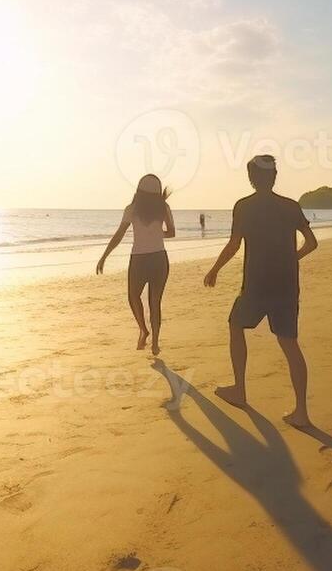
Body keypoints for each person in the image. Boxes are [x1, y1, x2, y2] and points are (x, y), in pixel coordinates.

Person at [203, 155, 318, 428]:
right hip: (287, 286)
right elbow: (311, 243)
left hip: (256, 284)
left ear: (252, 178)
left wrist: (215, 269)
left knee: (235, 325)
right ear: (274, 176)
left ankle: (240, 390)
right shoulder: (291, 206)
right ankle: (301, 412)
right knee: (289, 343)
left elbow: (234, 244)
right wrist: (291, 260)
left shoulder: (244, 207)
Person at [97, 174, 176, 355]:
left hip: (142, 260)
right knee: (152, 301)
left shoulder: (134, 209)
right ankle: (152, 339)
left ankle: (146, 332)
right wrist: (156, 234)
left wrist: (104, 256)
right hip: (157, 259)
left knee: (136, 297)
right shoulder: (160, 208)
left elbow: (119, 235)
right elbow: (171, 233)